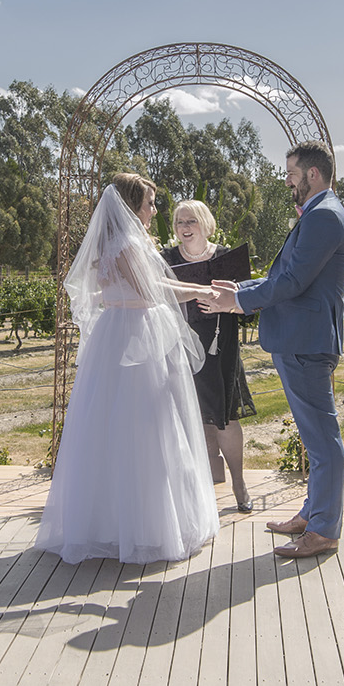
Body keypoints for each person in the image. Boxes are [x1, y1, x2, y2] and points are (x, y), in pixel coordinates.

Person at [36, 174, 222, 564]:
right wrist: (202, 291)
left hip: (117, 332)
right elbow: (153, 290)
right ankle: (144, 527)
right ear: (131, 204)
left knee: (113, 426)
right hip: (136, 337)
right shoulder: (125, 244)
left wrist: (194, 290)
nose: (155, 211)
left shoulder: (115, 242)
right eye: (150, 203)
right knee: (147, 425)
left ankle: (110, 522)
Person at [202, 140, 344, 558]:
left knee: (322, 440)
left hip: (305, 342)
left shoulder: (323, 216)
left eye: (291, 174)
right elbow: (285, 275)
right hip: (299, 339)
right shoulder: (320, 215)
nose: (287, 181)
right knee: (314, 436)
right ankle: (313, 513)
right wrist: (241, 288)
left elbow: (293, 282)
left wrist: (238, 301)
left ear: (313, 174)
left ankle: (323, 530)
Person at [162, 199, 256, 513]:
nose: (184, 228)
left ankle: (239, 483)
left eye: (191, 221)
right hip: (180, 347)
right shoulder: (166, 259)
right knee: (192, 418)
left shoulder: (225, 258)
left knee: (225, 417)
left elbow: (245, 306)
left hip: (220, 346)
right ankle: (199, 492)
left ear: (206, 223)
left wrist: (226, 302)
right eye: (179, 222)